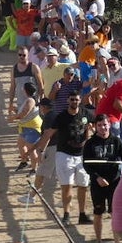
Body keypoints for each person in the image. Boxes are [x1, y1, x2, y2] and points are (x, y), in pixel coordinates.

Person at [37, 90, 92, 225]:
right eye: (72, 99)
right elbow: (49, 133)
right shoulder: (61, 117)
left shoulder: (85, 114)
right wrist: (40, 150)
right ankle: (66, 214)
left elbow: (94, 124)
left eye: (76, 99)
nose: (74, 101)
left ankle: (82, 214)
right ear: (68, 100)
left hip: (81, 155)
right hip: (64, 154)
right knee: (66, 186)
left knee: (83, 186)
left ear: (80, 100)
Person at [82, 114, 122, 243]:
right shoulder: (90, 143)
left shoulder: (116, 141)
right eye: (100, 125)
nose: (103, 128)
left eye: (105, 124)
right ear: (95, 126)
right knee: (98, 213)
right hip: (98, 183)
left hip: (114, 182)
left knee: (115, 213)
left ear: (109, 125)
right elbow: (86, 165)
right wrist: (97, 178)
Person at [7, 81, 44, 173]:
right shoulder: (28, 100)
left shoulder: (30, 100)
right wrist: (15, 109)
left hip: (32, 128)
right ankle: (24, 162)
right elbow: (23, 112)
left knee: (31, 149)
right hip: (25, 126)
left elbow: (24, 114)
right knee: (21, 144)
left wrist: (13, 117)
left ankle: (34, 169)